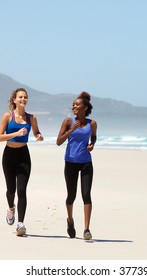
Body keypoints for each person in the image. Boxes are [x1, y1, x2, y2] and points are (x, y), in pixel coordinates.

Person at [0, 88, 44, 236]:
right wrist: (17, 133)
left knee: (22, 190)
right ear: (14, 100)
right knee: (11, 190)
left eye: (25, 97)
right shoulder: (7, 116)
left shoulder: (31, 118)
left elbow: (36, 131)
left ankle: (20, 223)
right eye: (20, 97)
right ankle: (11, 207)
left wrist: (38, 136)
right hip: (9, 155)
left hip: (24, 155)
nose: (23, 99)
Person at [56, 91, 97, 240]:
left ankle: (86, 229)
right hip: (70, 162)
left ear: (85, 107)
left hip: (86, 162)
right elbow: (59, 141)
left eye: (77, 104)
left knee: (86, 195)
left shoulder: (92, 123)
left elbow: (93, 136)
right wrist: (72, 130)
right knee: (71, 196)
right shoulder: (68, 122)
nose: (74, 106)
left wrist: (92, 144)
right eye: (73, 104)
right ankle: (70, 220)